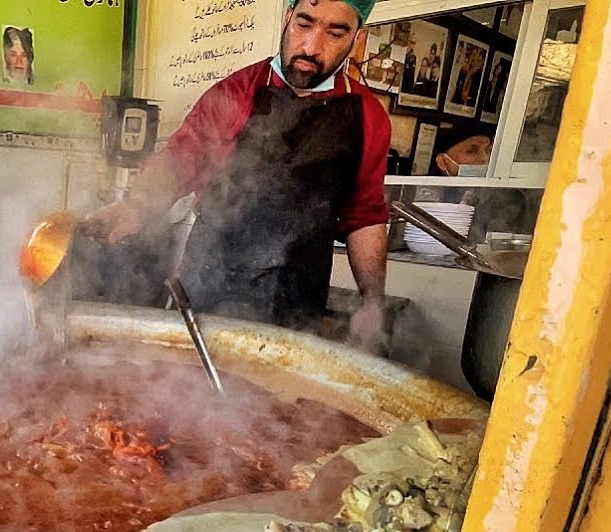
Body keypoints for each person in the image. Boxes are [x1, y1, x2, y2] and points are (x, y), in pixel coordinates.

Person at [85, 0, 390, 351]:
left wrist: (373, 302)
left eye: (335, 33)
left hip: (298, 303)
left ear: (357, 38)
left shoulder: (368, 116)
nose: (311, 47)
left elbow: (364, 217)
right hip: (209, 293)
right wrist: (138, 205)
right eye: (304, 25)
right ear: (287, 18)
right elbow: (180, 160)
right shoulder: (236, 91)